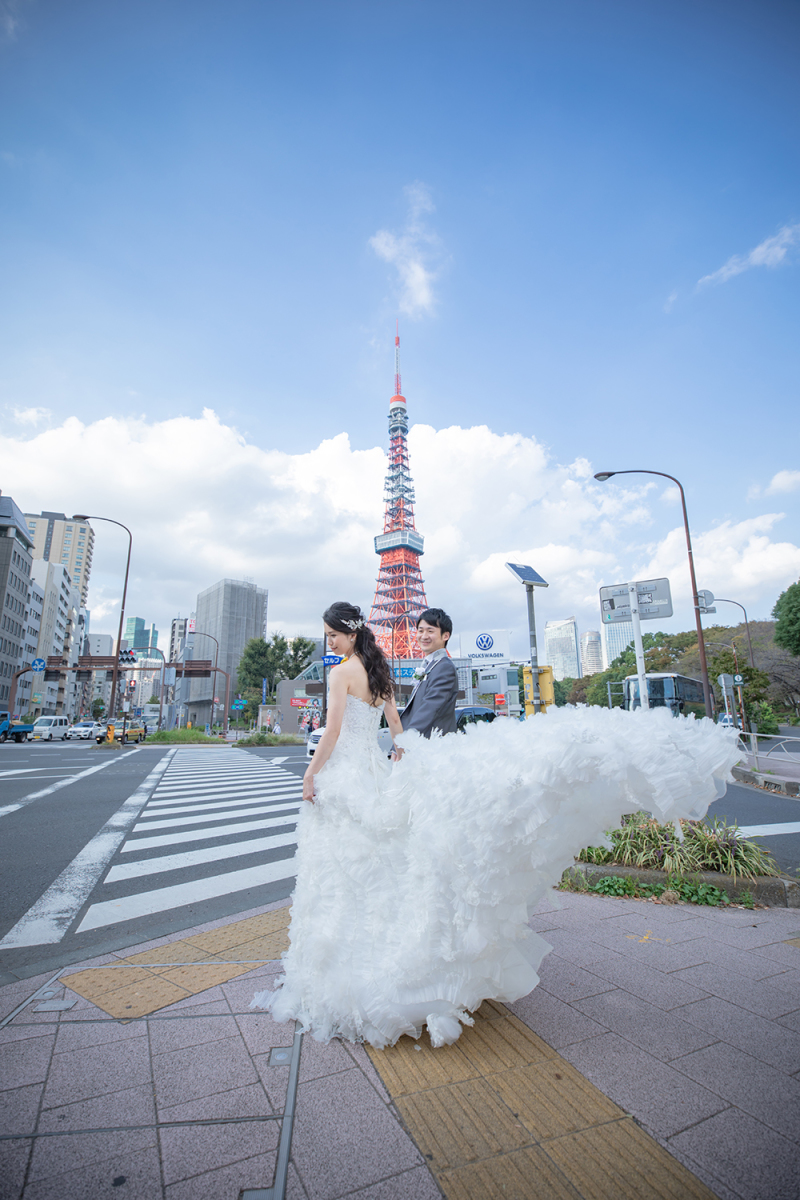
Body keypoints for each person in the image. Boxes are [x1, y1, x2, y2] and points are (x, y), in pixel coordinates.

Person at [253, 599, 739, 1050]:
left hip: (347, 778)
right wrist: (402, 753)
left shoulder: (342, 674)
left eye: (331, 635)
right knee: (374, 865)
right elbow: (397, 726)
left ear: (347, 632)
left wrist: (312, 773)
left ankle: (342, 959)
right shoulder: (377, 673)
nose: (329, 642)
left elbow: (335, 731)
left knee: (343, 871)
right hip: (376, 774)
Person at [400, 608, 459, 738]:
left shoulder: (444, 668)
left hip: (432, 747)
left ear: (446, 636)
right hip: (424, 744)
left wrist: (404, 741)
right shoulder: (431, 666)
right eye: (420, 631)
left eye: (430, 631)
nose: (424, 636)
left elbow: (429, 710)